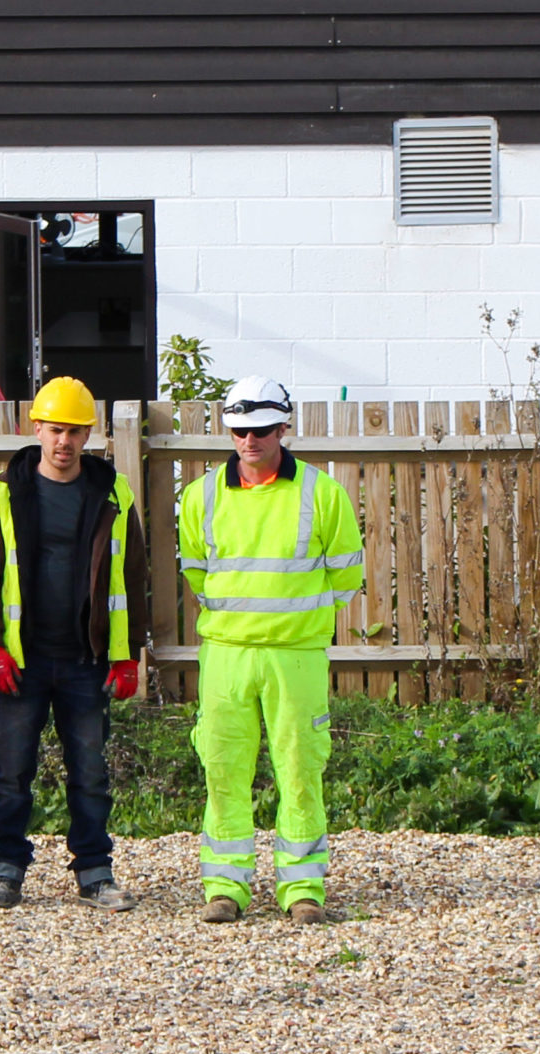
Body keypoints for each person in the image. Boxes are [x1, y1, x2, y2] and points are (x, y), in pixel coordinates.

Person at [177, 375, 363, 925]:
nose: (249, 441)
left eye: (260, 430)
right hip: (227, 654)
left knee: (301, 767)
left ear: (283, 427)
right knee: (222, 768)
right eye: (239, 430)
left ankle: (303, 889)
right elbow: (195, 568)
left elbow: (347, 573)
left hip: (295, 655)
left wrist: (298, 620)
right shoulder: (202, 495)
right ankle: (225, 888)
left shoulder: (321, 493)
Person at [0, 375, 149, 911]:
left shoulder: (113, 493)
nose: (64, 441)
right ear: (36, 428)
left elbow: (131, 576)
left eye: (75, 431)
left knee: (90, 770)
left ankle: (95, 871)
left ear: (88, 434)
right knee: (12, 767)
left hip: (86, 660)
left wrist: (127, 652)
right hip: (23, 660)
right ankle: (6, 870)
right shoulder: (5, 492)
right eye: (55, 430)